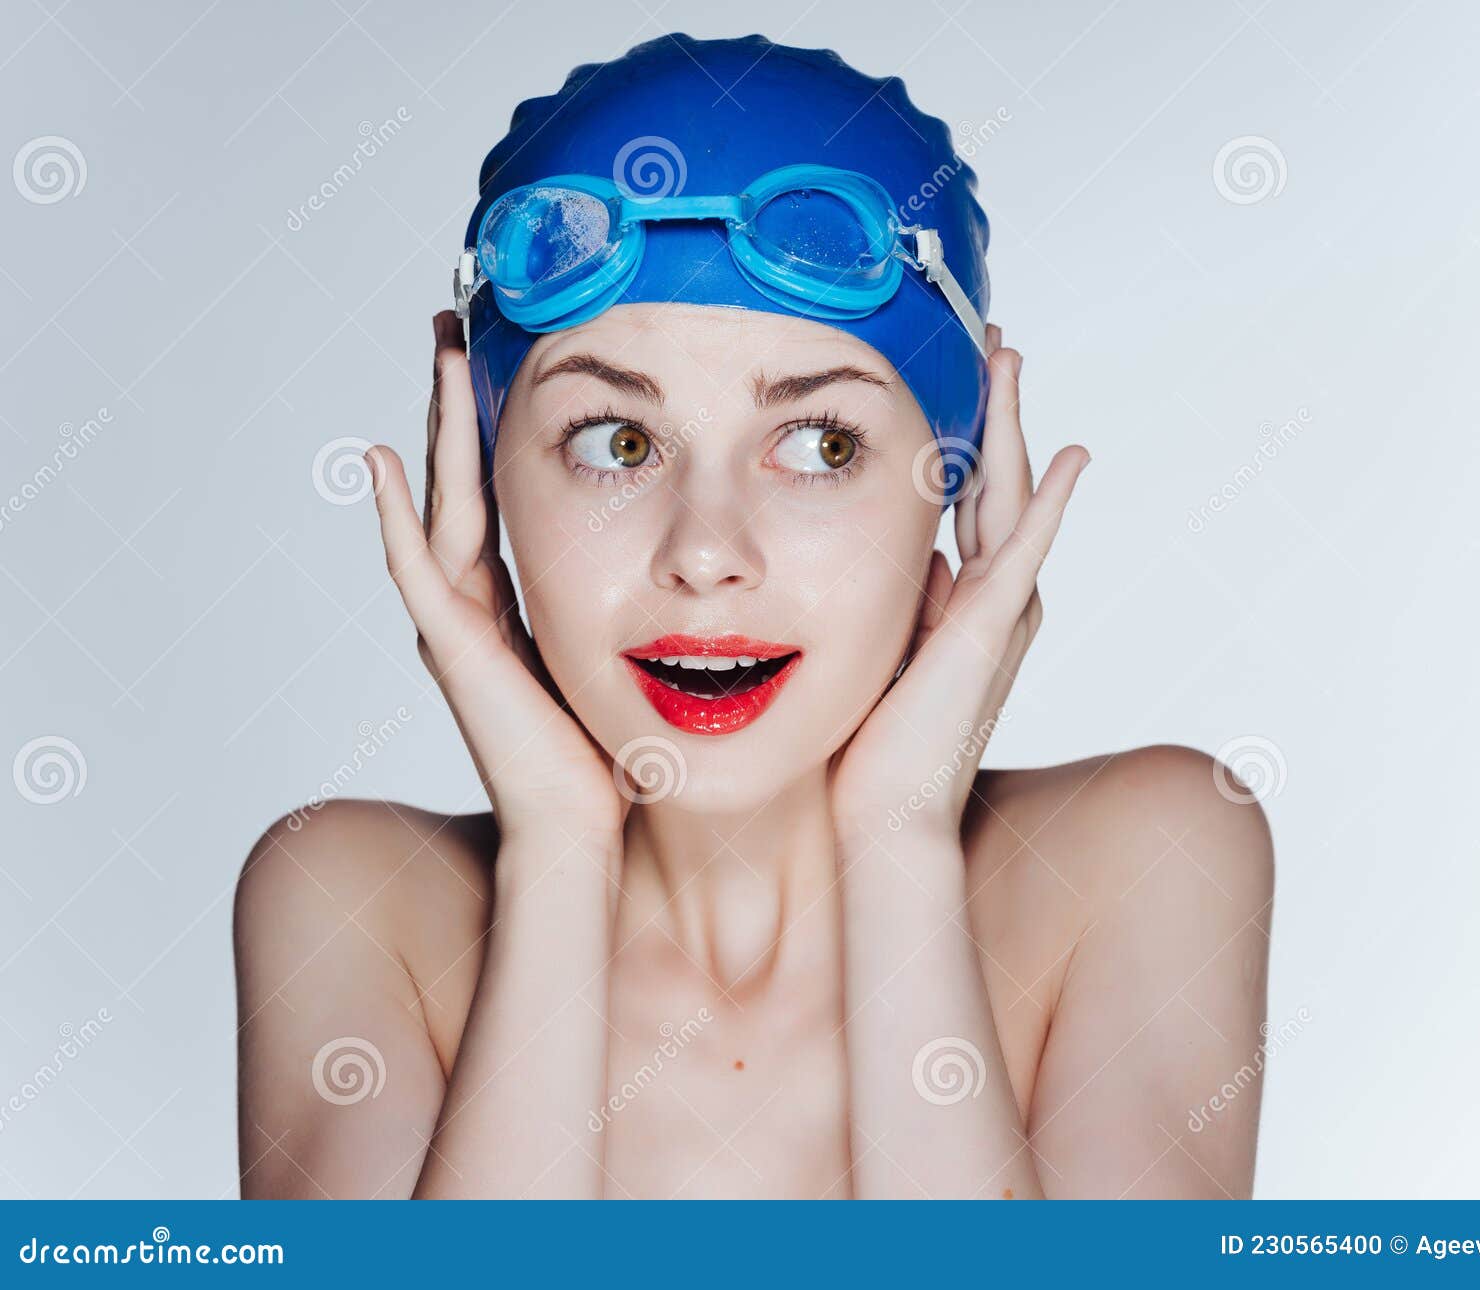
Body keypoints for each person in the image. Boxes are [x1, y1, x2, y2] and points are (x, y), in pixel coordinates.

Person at [234, 33, 1273, 1200]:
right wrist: (558, 855)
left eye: (821, 445)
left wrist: (899, 844)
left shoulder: (1145, 856)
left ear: (959, 476)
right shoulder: (348, 902)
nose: (706, 555)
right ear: (475, 476)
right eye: (616, 445)